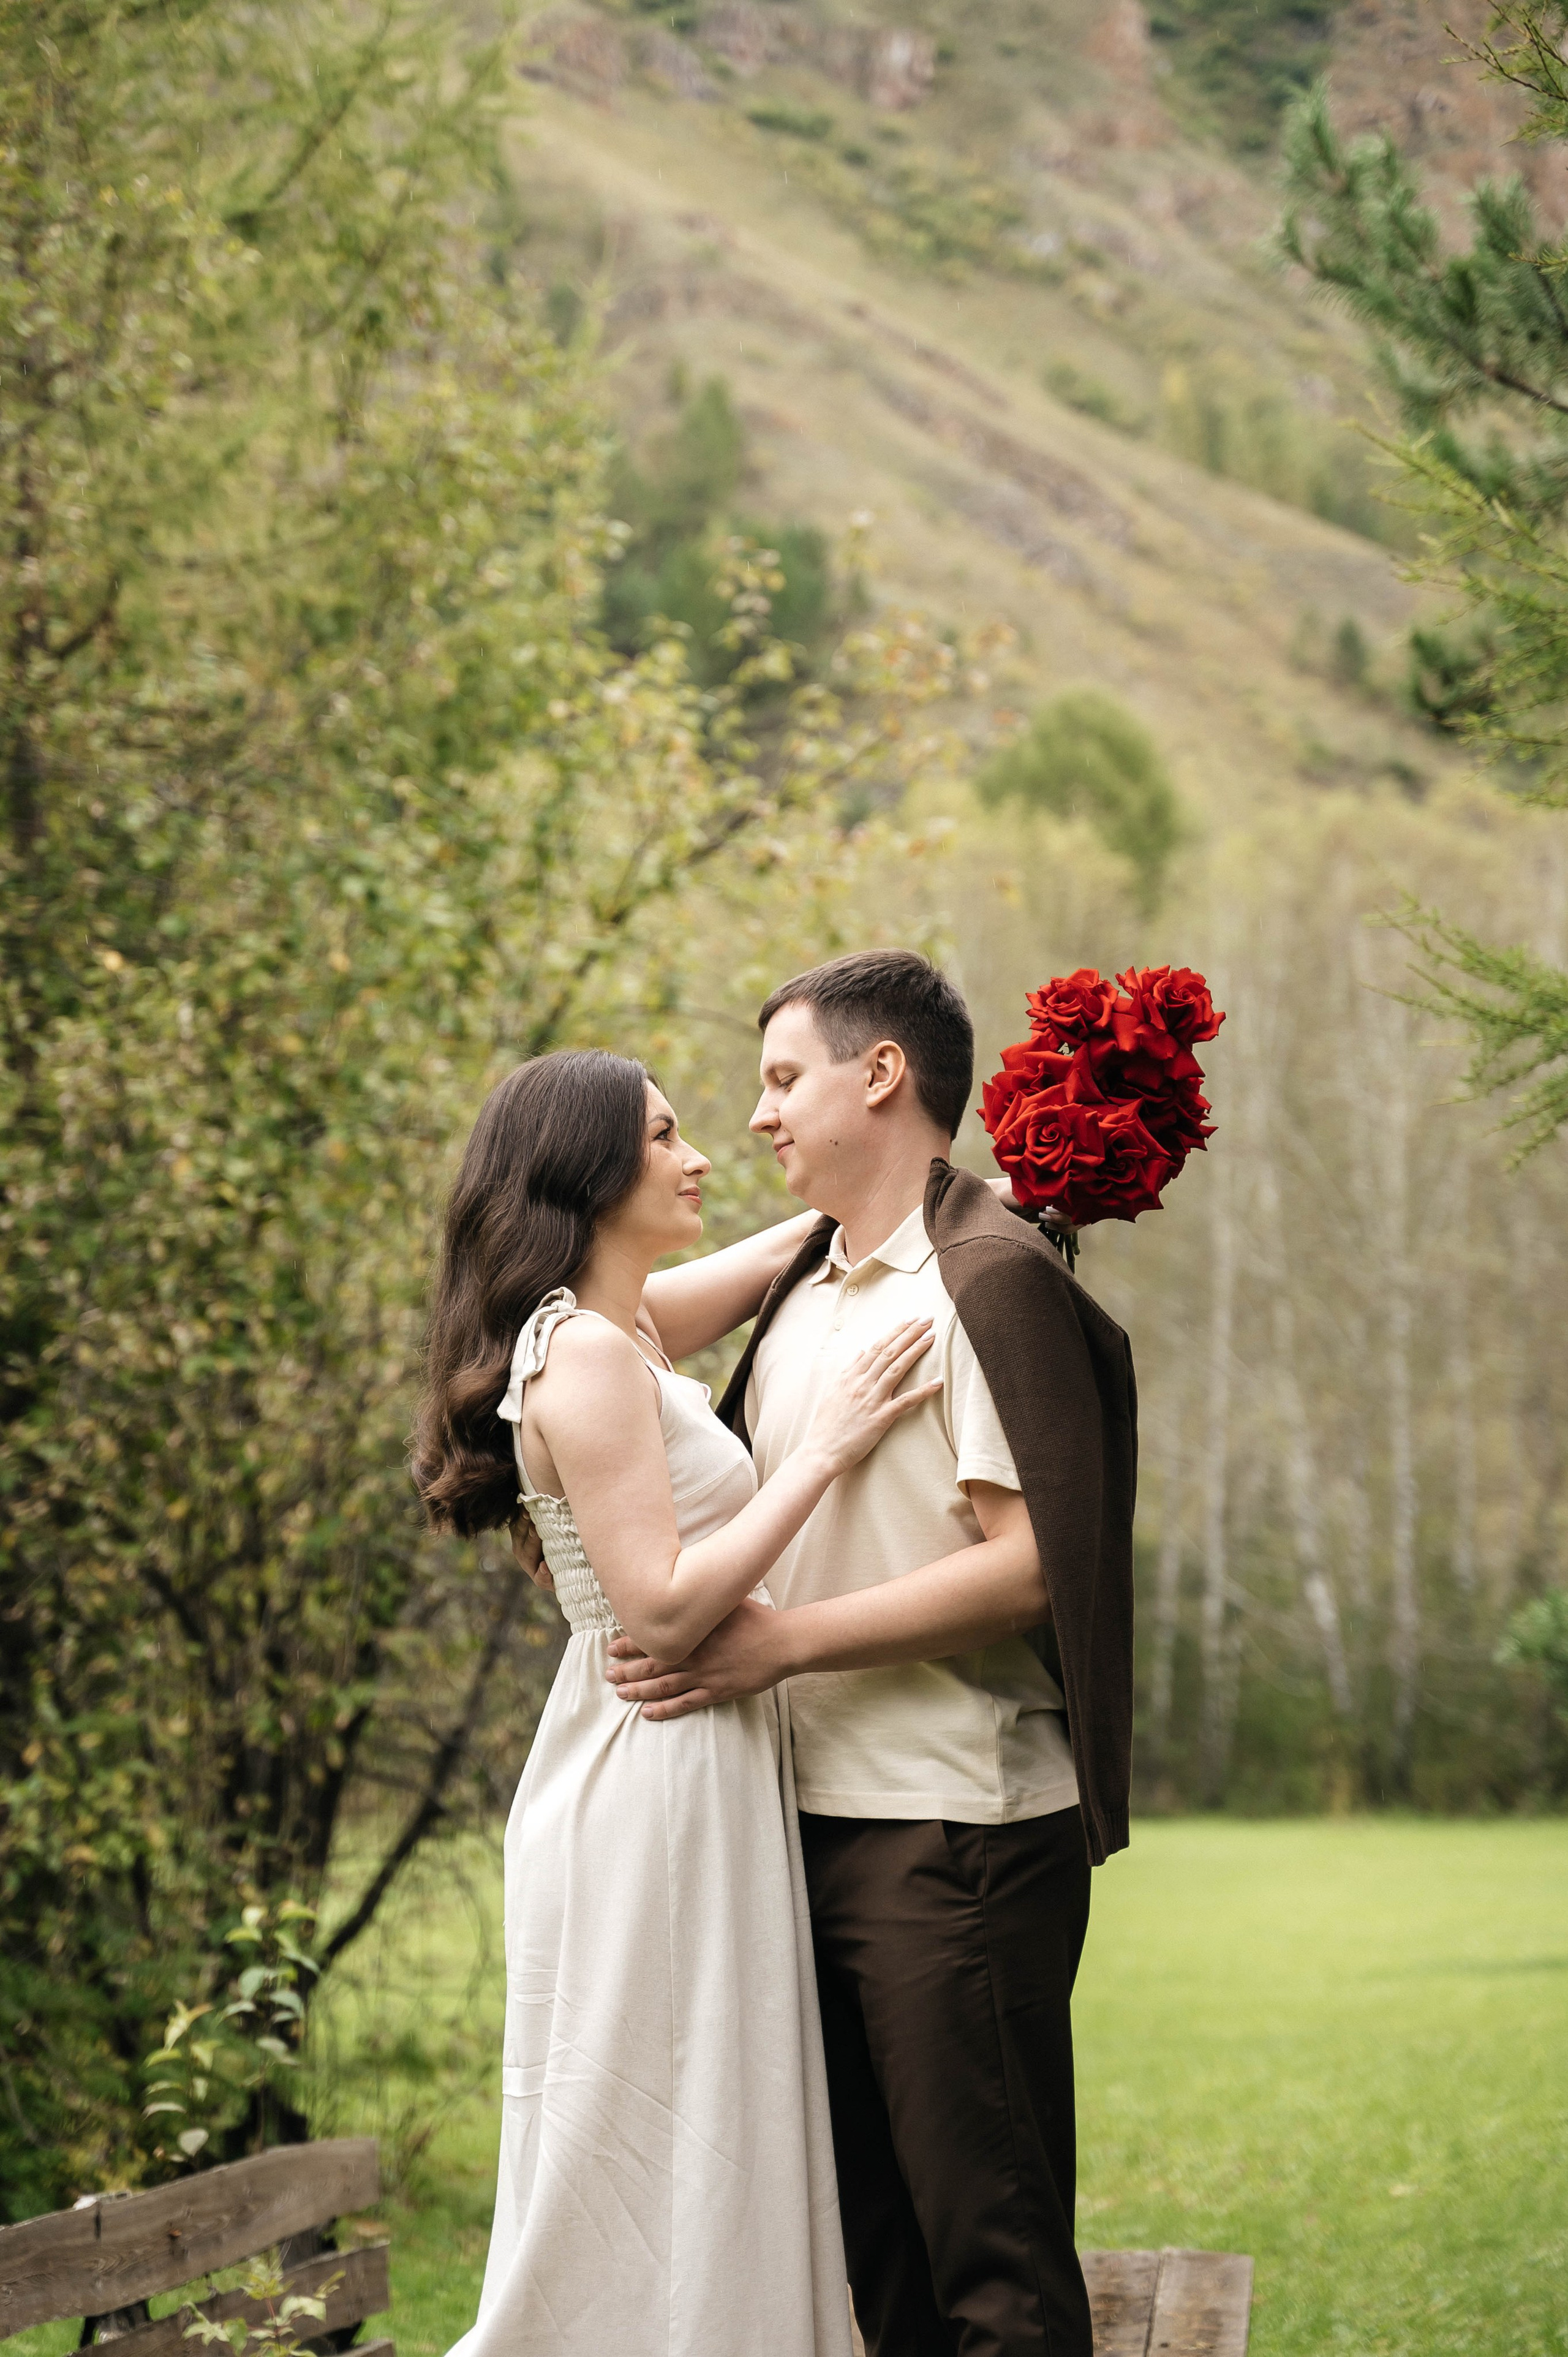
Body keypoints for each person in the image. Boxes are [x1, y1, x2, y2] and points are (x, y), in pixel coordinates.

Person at [605, 949, 1139, 2357]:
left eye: (785, 1078)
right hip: (806, 1825)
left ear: (881, 1073)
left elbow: (1031, 1568)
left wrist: (777, 1645)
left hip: (949, 1831)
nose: (761, 1117)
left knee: (992, 2272)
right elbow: (599, 1326)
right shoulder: (810, 1284)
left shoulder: (985, 1278)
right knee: (871, 2272)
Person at [412, 1046, 944, 2357]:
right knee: (652, 2126)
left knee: (708, 2114)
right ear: (590, 1174)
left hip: (682, 1760)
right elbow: (658, 1609)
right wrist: (821, 1452)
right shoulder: (584, 1353)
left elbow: (785, 1250)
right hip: (648, 1767)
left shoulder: (626, 1323)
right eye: (663, 1137)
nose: (700, 1152)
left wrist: (912, 1177)